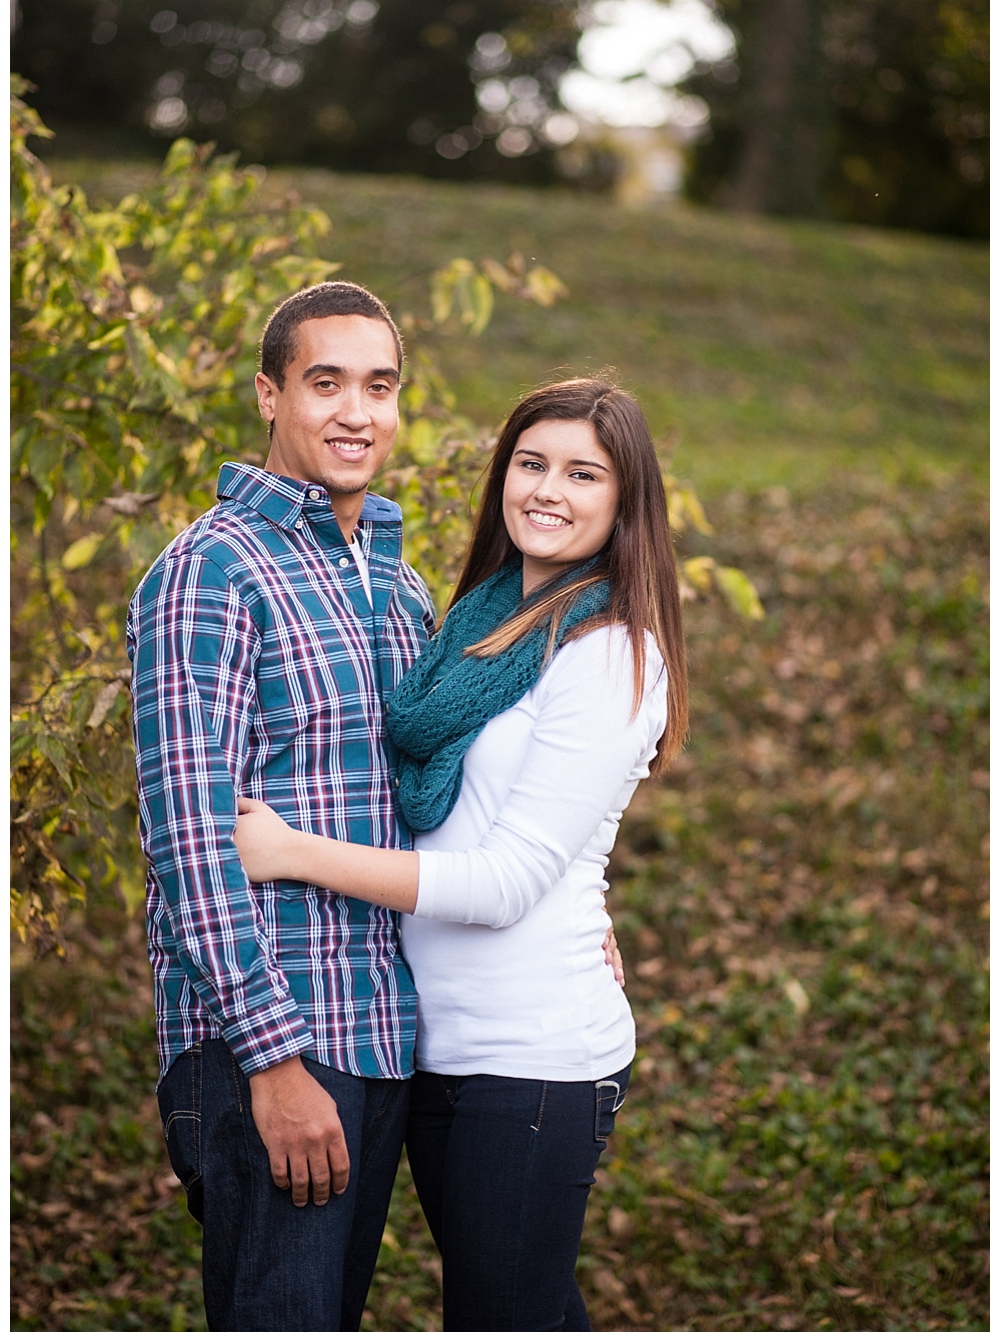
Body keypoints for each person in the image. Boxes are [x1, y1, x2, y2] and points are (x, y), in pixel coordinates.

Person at [234, 377, 689, 1331]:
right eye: (531, 463)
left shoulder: (608, 653)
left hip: (532, 1055)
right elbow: (451, 821)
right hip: (438, 1044)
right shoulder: (477, 622)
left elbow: (501, 882)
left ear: (624, 501)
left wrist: (292, 852)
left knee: (505, 1315)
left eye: (583, 473)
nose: (548, 490)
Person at [126, 281, 438, 1331]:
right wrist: (272, 1059)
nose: (357, 412)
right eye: (326, 383)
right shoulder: (209, 570)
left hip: (386, 1035)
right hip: (273, 1043)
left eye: (379, 386)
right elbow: (188, 834)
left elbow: (440, 804)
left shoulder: (403, 591)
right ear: (270, 396)